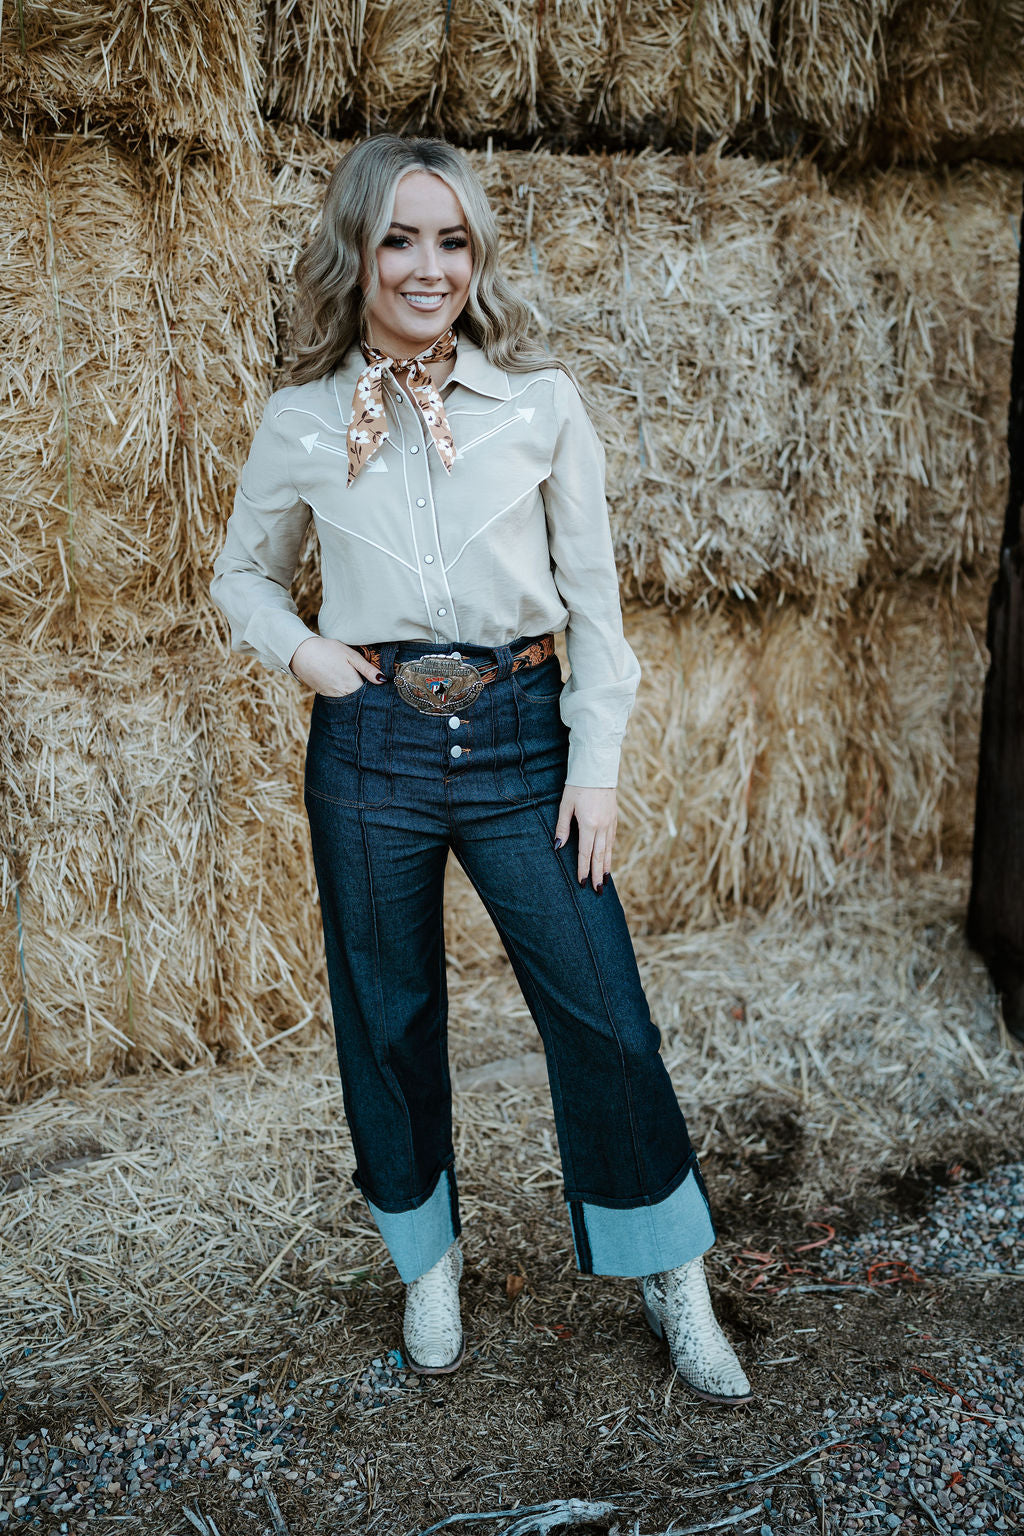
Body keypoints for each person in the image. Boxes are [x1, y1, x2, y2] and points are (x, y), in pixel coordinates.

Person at [209, 134, 752, 1407]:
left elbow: (596, 605)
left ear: (476, 257)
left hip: (521, 737)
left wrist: (596, 765)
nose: (428, 265)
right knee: (385, 1019)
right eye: (400, 237)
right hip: (372, 745)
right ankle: (428, 1261)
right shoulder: (299, 422)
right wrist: (308, 657)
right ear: (357, 251)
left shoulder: (541, 405)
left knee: (605, 1012)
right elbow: (240, 574)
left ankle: (671, 1273)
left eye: (451, 240)